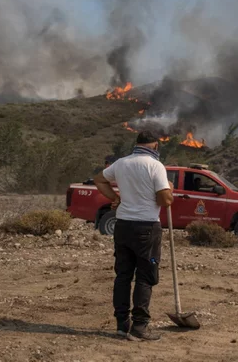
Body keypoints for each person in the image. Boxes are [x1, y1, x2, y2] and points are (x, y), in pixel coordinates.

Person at [93, 131, 174, 341]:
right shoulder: (155, 166)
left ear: (137, 144)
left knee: (123, 276)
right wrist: (169, 189)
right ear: (155, 146)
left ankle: (122, 325)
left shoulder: (121, 163)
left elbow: (99, 180)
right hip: (147, 227)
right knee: (145, 277)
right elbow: (165, 201)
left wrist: (116, 197)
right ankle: (139, 328)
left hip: (122, 226)